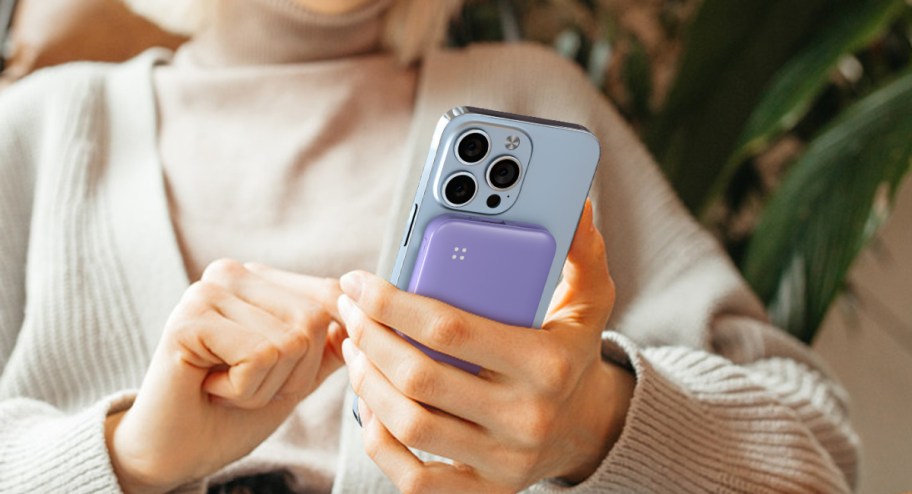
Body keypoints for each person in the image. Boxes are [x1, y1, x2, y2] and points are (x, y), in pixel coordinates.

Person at [0, 0, 860, 492]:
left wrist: (594, 423)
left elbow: (818, 456)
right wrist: (125, 461)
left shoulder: (529, 103)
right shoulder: (38, 129)